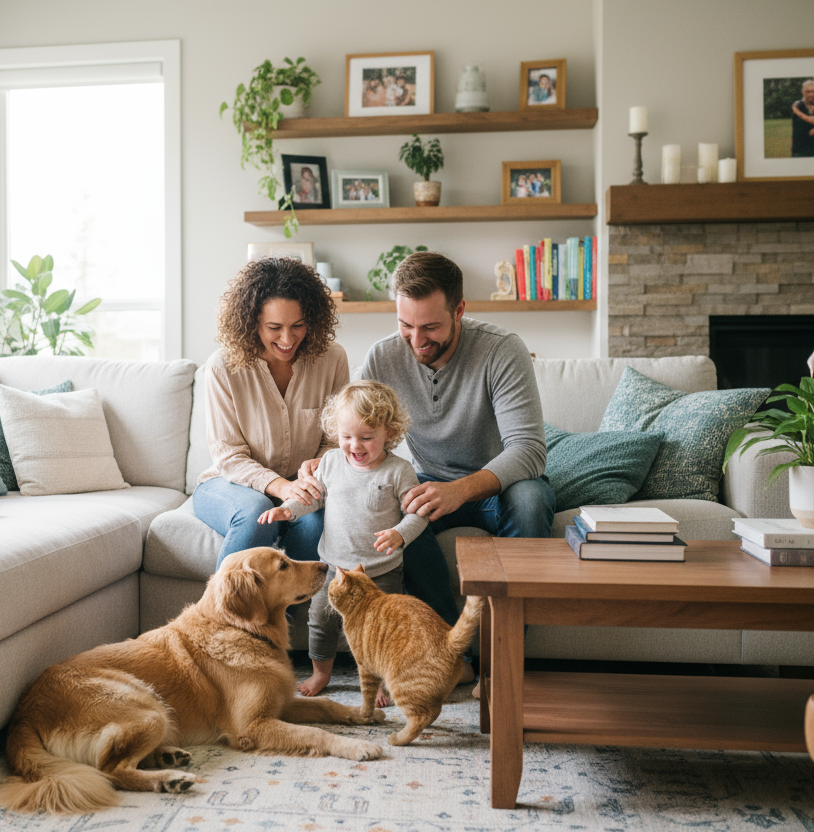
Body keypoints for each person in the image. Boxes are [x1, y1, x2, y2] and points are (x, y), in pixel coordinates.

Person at [358, 251, 556, 696]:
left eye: (429, 327)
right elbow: (360, 435)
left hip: (499, 484)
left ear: (460, 310)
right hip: (430, 481)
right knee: (399, 513)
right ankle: (451, 662)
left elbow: (528, 450)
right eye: (405, 325)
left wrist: (460, 490)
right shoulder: (383, 358)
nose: (416, 339)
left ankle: (503, 662)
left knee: (532, 499)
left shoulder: (500, 349)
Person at [258, 380, 426, 700]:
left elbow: (418, 514)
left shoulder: (399, 471)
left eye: (366, 437)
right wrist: (288, 510)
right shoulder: (332, 462)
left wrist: (400, 534)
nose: (355, 446)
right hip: (334, 569)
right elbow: (313, 498)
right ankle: (321, 674)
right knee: (321, 621)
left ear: (389, 432)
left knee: (382, 631)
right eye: (347, 437)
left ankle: (380, 682)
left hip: (382, 570)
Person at [193, 257, 349, 571]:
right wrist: (281, 486)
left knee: (313, 525)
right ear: (252, 323)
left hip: (303, 486)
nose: (288, 339)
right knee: (257, 514)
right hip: (230, 484)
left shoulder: (332, 359)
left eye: (298, 325)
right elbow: (228, 456)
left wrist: (316, 468)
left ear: (313, 320)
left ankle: (282, 620)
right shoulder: (223, 366)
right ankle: (215, 619)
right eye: (274, 328)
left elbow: (336, 440)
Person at [791, 80, 814, 158]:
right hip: (799, 152)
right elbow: (812, 121)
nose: (812, 94)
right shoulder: (798, 105)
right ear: (803, 92)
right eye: (809, 92)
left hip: (813, 150)